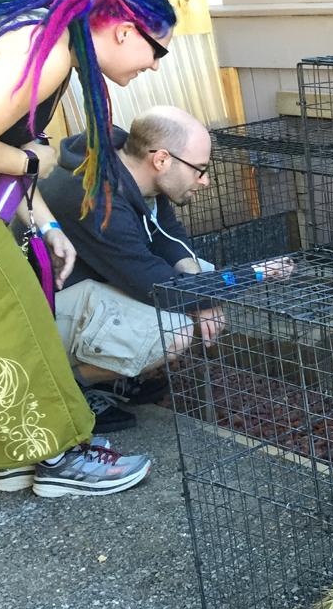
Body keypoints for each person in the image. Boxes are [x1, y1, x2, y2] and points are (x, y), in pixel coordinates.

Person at [0, 0, 175, 497]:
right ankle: (57, 456)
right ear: (124, 31)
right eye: (157, 51)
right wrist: (31, 162)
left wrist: (48, 223)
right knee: (11, 304)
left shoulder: (50, 42)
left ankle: (14, 453)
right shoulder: (45, 51)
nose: (151, 65)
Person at [42, 105, 292, 432]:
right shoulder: (100, 201)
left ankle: (104, 376)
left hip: (90, 281)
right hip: (40, 312)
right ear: (161, 159)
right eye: (199, 169)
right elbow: (162, 290)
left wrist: (200, 289)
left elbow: (169, 235)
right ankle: (63, 388)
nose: (205, 181)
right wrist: (256, 273)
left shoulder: (133, 168)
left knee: (200, 271)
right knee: (172, 331)